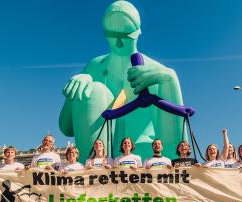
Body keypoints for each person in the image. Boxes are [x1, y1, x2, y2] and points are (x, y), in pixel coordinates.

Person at [59, 0, 185, 161]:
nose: (118, 43)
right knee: (94, 90)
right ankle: (93, 168)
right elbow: (66, 128)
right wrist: (77, 89)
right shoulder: (95, 67)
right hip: (103, 154)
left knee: (165, 80)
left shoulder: (154, 71)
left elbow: (177, 143)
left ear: (138, 32)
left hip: (144, 155)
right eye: (112, 36)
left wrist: (170, 82)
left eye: (125, 36)